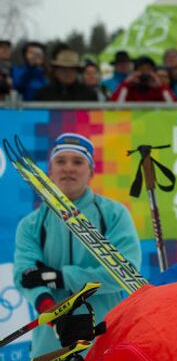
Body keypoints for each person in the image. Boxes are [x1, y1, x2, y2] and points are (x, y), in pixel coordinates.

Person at [13, 133, 142, 358]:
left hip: (105, 337)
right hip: (51, 342)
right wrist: (54, 315)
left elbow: (124, 273)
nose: (68, 168)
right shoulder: (31, 224)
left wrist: (61, 276)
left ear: (91, 171)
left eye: (78, 162)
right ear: (50, 170)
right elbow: (25, 276)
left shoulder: (114, 215)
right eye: (61, 161)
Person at [111, 55, 175, 102]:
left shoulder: (159, 90)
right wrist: (125, 83)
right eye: (141, 69)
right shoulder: (130, 88)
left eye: (148, 69)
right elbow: (116, 104)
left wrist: (160, 86)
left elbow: (172, 104)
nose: (145, 72)